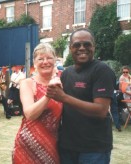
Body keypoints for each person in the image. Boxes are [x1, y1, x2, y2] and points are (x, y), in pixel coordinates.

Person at [46, 28, 116, 164]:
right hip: (67, 147)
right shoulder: (67, 73)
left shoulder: (102, 71)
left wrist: (64, 97)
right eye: (77, 45)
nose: (82, 48)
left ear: (94, 47)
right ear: (70, 48)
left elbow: (101, 110)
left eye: (87, 44)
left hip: (94, 149)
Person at [12, 43, 63, 163]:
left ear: (55, 61)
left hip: (51, 146)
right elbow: (29, 114)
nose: (45, 62)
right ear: (34, 63)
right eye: (40, 59)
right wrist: (48, 95)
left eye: (49, 58)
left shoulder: (62, 83)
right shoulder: (27, 83)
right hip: (27, 147)